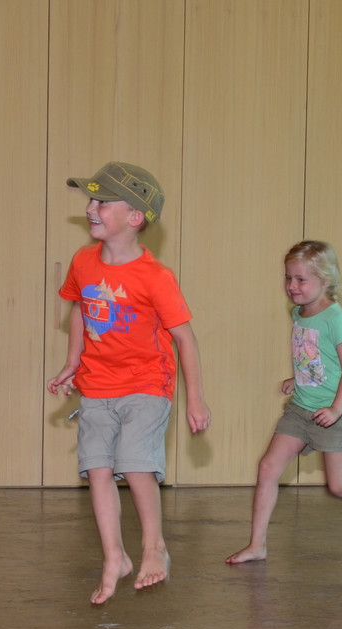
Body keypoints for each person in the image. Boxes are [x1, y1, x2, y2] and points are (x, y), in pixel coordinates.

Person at [47, 161, 211, 605]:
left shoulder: (155, 276)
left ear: (136, 217)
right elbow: (80, 308)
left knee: (136, 463)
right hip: (97, 385)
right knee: (97, 468)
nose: (91, 207)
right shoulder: (83, 261)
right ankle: (114, 557)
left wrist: (195, 399)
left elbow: (185, 338)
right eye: (91, 199)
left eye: (103, 201)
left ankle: (153, 547)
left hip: (147, 383)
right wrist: (72, 362)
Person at [227, 241, 342, 563]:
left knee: (339, 485)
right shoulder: (299, 312)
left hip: (335, 415)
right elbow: (313, 356)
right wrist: (298, 378)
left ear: (325, 280)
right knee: (267, 468)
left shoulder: (337, 319)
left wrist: (335, 408)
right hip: (300, 409)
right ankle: (257, 545)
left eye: (301, 279)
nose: (292, 285)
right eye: (288, 278)